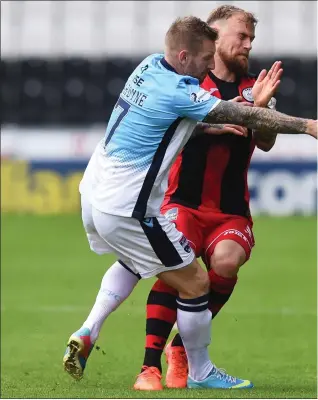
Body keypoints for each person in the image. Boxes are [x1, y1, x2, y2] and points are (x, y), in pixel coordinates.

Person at [63, 15, 317, 390]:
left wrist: (216, 123)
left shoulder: (149, 66)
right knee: (194, 281)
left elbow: (178, 120)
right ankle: (194, 371)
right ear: (185, 55)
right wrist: (308, 125)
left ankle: (89, 329)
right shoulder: (184, 90)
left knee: (139, 262)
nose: (206, 67)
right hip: (129, 207)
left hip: (96, 195)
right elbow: (228, 110)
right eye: (203, 59)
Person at [133, 5, 283, 391]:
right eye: (241, 36)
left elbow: (265, 142)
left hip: (231, 209)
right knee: (179, 270)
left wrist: (261, 108)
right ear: (215, 36)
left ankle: (182, 350)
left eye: (251, 39)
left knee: (228, 261)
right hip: (182, 202)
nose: (248, 45)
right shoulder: (188, 81)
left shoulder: (256, 86)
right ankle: (148, 367)